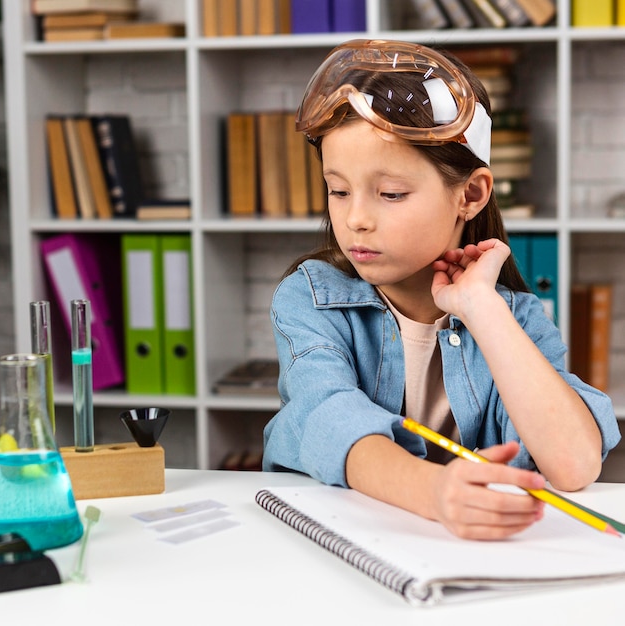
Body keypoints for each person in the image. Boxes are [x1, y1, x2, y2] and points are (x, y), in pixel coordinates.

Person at [262, 39, 621, 540]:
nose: (355, 219)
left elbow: (574, 463)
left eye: (391, 194)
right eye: (338, 190)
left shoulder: (514, 318)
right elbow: (327, 415)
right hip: (342, 542)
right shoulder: (311, 299)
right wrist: (436, 492)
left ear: (470, 195)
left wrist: (481, 307)